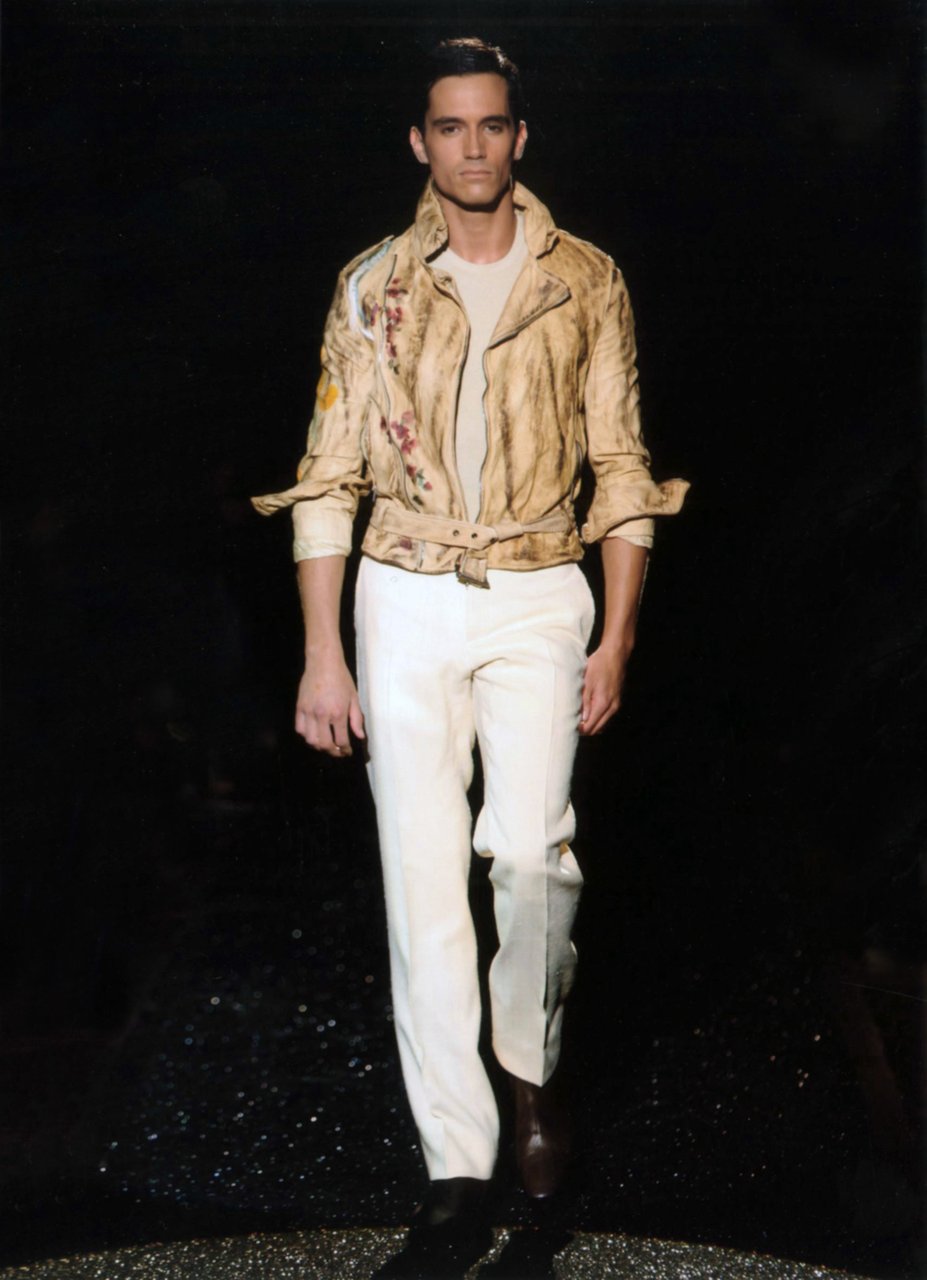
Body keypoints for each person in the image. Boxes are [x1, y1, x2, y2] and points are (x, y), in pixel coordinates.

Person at [253, 35, 687, 1266]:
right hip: (402, 587)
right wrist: (322, 653)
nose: (473, 147)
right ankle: (456, 1162)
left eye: (492, 124)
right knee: (421, 875)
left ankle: (531, 1067)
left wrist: (619, 633)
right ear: (420, 141)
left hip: (540, 584)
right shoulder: (373, 286)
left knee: (532, 854)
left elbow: (622, 466)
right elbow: (328, 474)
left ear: (520, 135)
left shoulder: (585, 278)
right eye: (450, 127)